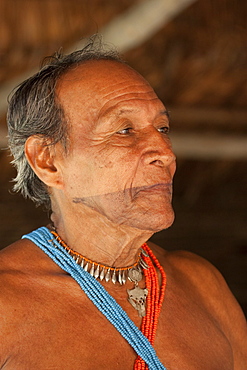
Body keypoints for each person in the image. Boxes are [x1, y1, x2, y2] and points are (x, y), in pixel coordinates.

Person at [1, 36, 246, 370]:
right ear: (47, 161)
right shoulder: (5, 304)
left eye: (163, 127)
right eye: (124, 130)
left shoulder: (203, 287)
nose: (165, 152)